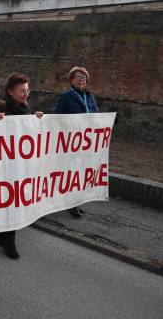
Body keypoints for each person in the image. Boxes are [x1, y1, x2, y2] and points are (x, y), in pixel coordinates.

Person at [0, 73, 43, 259]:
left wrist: (36, 119)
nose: (26, 94)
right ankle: (9, 242)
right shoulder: (0, 108)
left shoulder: (24, 108)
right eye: (22, 90)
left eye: (27, 90)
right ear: (10, 91)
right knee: (9, 202)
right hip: (3, 165)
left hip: (19, 163)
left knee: (9, 201)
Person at [53, 66, 98, 218]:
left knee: (82, 174)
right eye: (78, 77)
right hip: (70, 142)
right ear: (71, 79)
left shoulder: (90, 97)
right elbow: (57, 117)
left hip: (86, 143)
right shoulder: (66, 96)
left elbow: (96, 116)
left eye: (84, 78)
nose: (81, 80)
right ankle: (71, 204)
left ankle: (75, 202)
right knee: (72, 174)